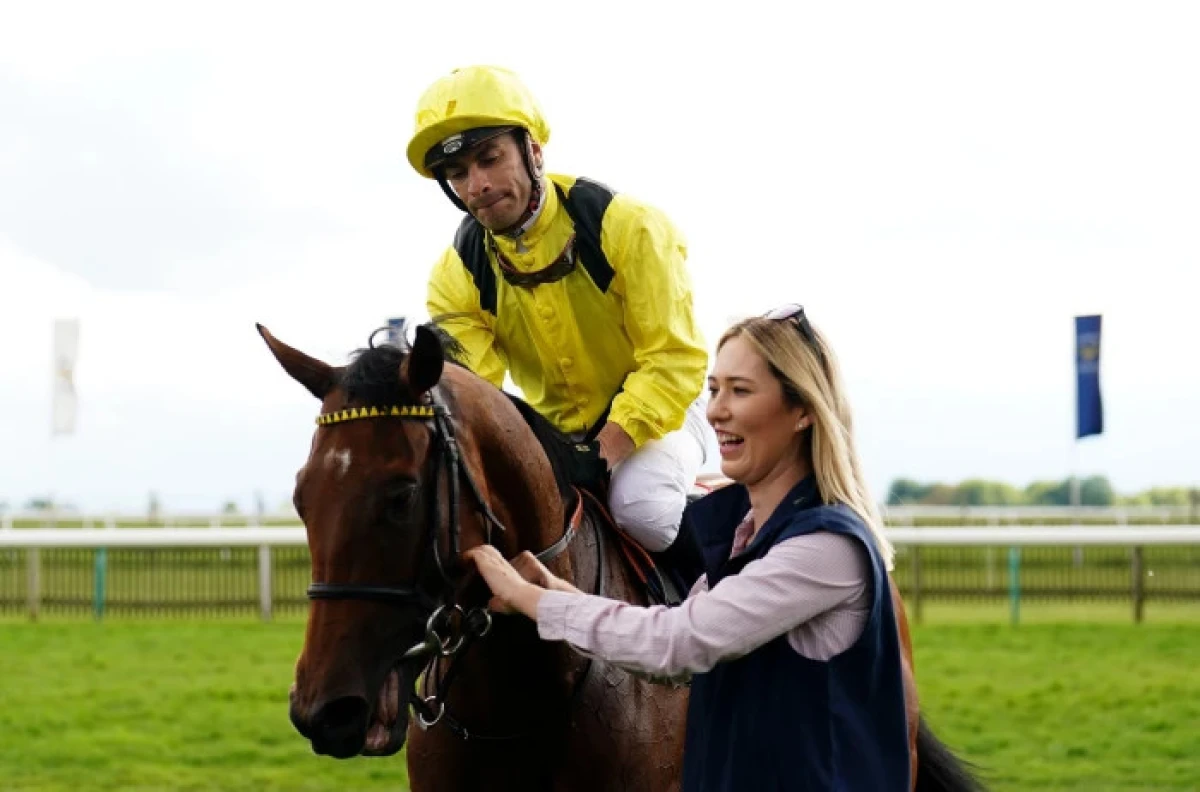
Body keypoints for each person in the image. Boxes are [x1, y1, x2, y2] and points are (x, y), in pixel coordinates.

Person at [466, 305, 912, 791]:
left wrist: (534, 600)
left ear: (803, 411)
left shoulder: (825, 548)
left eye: (740, 391)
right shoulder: (748, 537)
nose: (716, 411)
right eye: (714, 389)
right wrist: (559, 592)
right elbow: (667, 661)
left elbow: (676, 643)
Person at [407, 65, 711, 560]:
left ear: (533, 151)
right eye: (458, 173)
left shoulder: (628, 226)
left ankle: (719, 612)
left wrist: (606, 449)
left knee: (642, 510)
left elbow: (673, 360)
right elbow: (478, 390)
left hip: (666, 413)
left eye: (490, 158)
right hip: (556, 432)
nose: (477, 185)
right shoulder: (456, 274)